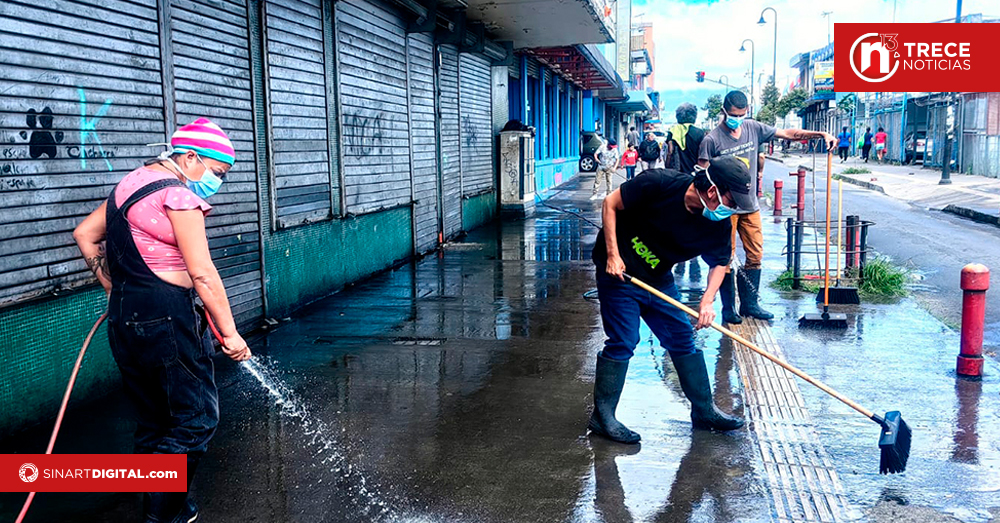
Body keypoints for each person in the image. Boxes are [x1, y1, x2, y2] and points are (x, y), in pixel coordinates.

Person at [73, 118, 252, 523]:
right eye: (216, 172)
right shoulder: (178, 196)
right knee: (196, 420)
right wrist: (231, 333)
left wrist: (109, 286)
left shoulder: (129, 185)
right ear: (190, 158)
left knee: (154, 423)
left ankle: (170, 507)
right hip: (167, 319)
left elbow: (84, 233)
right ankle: (163, 517)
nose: (215, 181)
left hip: (124, 317)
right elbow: (204, 274)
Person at [589, 156, 754, 443]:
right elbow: (610, 204)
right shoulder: (659, 183)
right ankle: (602, 417)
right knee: (624, 340)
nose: (732, 208)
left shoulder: (717, 223)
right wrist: (613, 255)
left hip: (658, 279)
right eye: (731, 200)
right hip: (620, 275)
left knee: (681, 338)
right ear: (713, 191)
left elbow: (720, 262)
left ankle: (704, 410)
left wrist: (707, 301)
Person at [698, 91, 836, 324]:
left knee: (755, 255)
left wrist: (821, 133)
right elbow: (702, 177)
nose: (737, 120)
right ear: (724, 112)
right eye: (733, 115)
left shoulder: (753, 128)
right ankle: (729, 308)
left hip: (750, 206)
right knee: (726, 258)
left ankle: (750, 305)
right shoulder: (711, 140)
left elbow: (789, 133)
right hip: (726, 209)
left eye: (742, 115)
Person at [664, 102, 704, 174]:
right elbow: (702, 154)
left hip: (676, 172)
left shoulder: (672, 131)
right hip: (693, 171)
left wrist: (667, 167)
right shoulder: (699, 132)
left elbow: (670, 151)